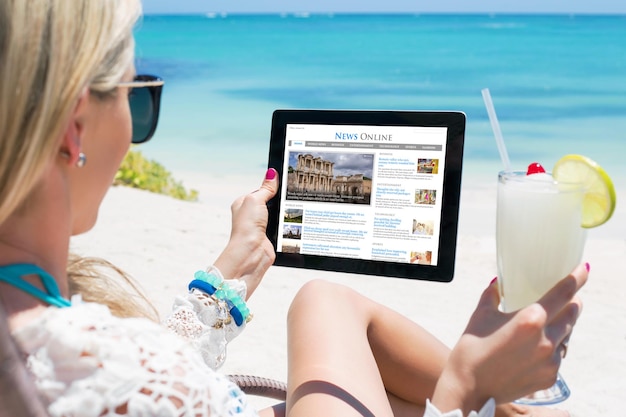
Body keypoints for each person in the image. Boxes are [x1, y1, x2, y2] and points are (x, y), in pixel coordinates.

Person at [0, 1, 586, 417]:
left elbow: (150, 381)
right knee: (373, 354)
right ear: (75, 129)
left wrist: (231, 272)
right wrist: (464, 388)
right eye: (139, 99)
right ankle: (504, 401)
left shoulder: (39, 343)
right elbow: (147, 377)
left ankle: (509, 404)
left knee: (323, 299)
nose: (135, 132)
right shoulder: (108, 363)